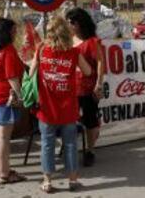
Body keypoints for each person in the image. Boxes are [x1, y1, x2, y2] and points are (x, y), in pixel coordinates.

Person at [29, 16, 91, 193]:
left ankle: (47, 181)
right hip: (68, 107)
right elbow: (87, 71)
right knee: (70, 144)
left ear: (49, 32)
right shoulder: (73, 52)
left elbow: (32, 71)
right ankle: (72, 180)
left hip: (46, 107)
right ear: (66, 32)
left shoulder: (41, 49)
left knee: (47, 144)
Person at [0, 18, 25, 184]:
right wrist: (20, 96)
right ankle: (5, 174)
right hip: (4, 99)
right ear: (6, 33)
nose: (15, 34)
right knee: (3, 138)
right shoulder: (8, 51)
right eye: (13, 31)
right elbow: (12, 77)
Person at [65, 7, 104, 166]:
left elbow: (101, 62)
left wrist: (99, 84)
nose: (68, 26)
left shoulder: (92, 42)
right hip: (68, 88)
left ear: (79, 24)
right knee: (70, 120)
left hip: (87, 88)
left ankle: (90, 150)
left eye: (71, 23)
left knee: (90, 121)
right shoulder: (67, 40)